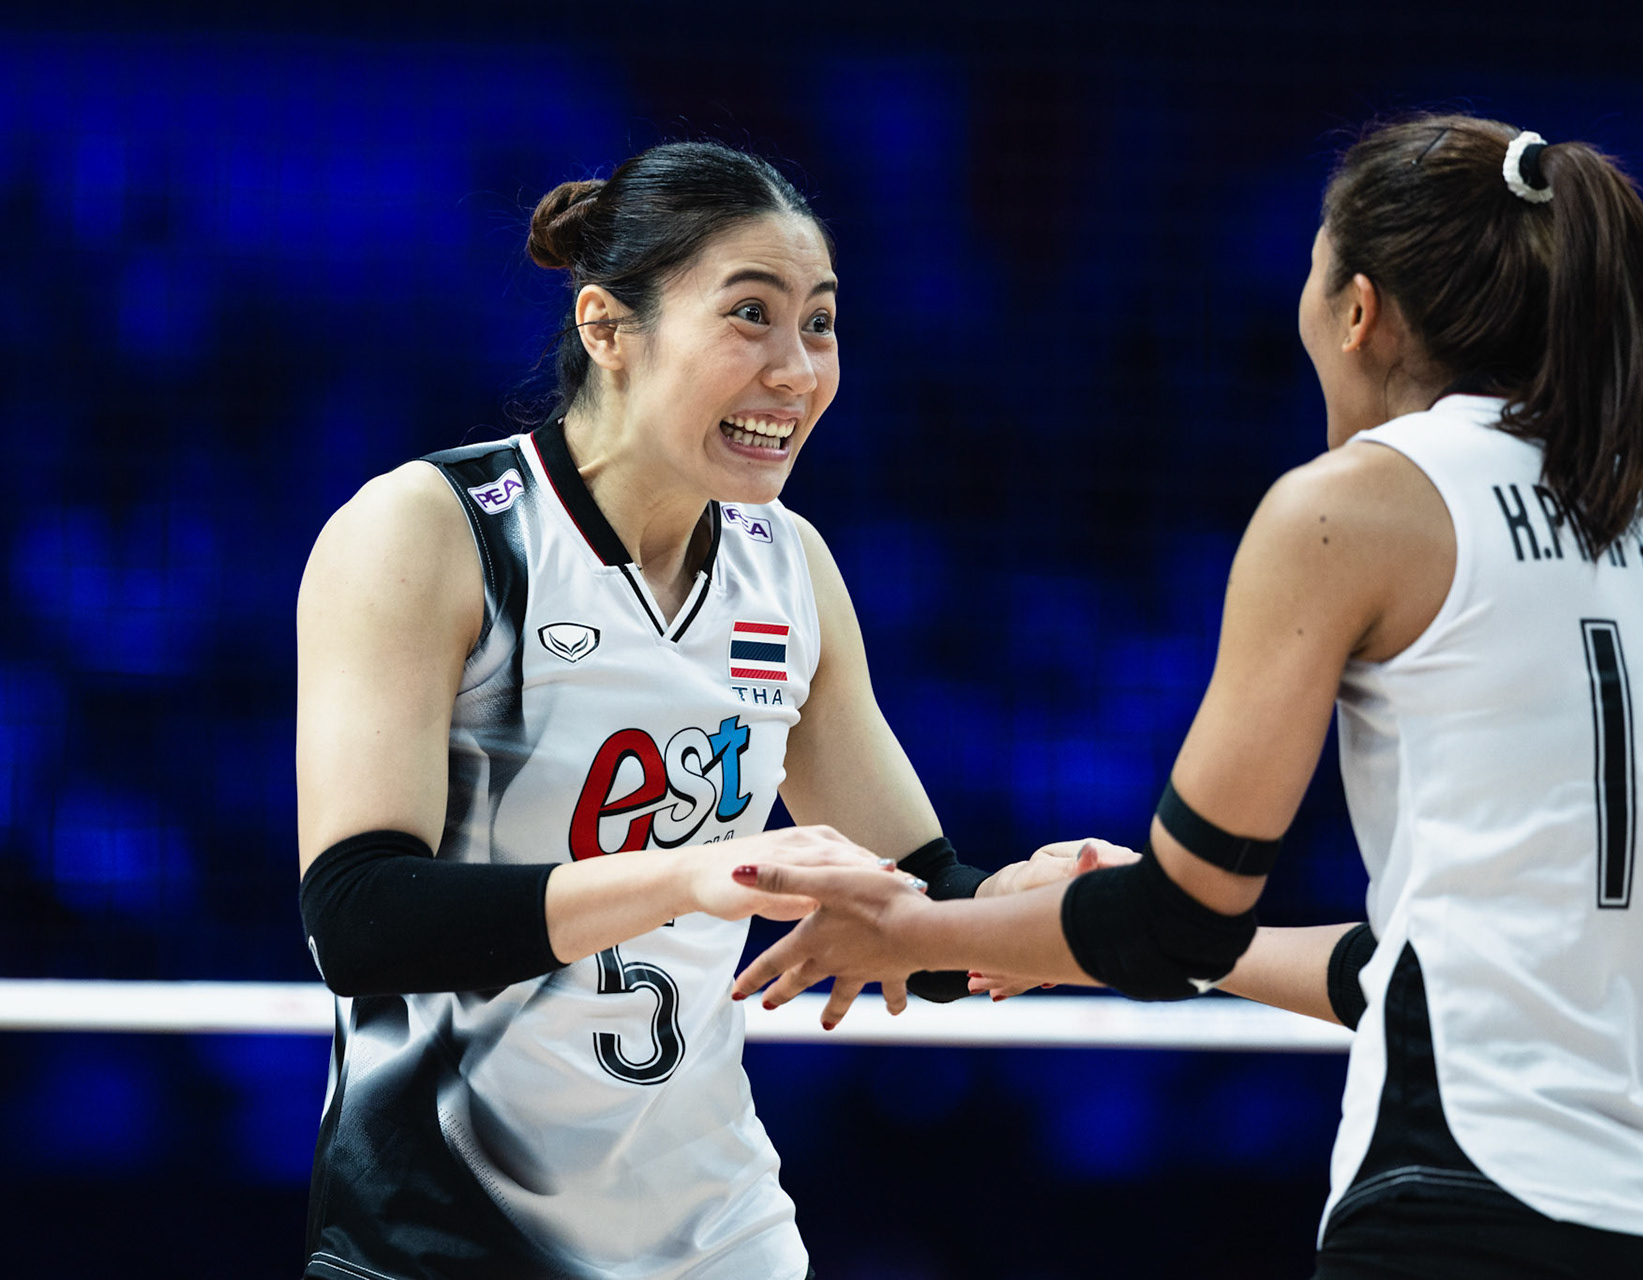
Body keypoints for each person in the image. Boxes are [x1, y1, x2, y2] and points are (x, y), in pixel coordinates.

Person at [733, 114, 1643, 1277]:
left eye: (1313, 271)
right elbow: (1435, 964)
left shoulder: (1356, 503)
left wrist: (911, 929)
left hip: (1474, 1203)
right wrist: (1108, 913)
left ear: (1360, 308)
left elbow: (1181, 920)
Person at [293, 140, 1097, 1280]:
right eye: (750, 316)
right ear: (608, 328)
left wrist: (1037, 910)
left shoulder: (790, 567)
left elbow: (910, 912)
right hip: (436, 1234)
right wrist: (690, 875)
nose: (796, 370)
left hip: (718, 1238)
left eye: (818, 323)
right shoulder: (434, 531)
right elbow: (361, 920)